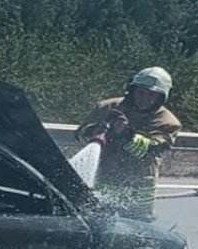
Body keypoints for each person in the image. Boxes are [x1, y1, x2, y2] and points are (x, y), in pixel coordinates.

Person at [75, 67, 182, 222]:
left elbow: (150, 149)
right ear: (132, 90)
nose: (145, 99)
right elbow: (79, 135)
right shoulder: (107, 108)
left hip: (137, 191)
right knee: (94, 226)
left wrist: (125, 135)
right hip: (102, 181)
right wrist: (94, 130)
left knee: (136, 234)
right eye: (141, 93)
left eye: (151, 95)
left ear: (161, 97)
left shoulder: (167, 122)